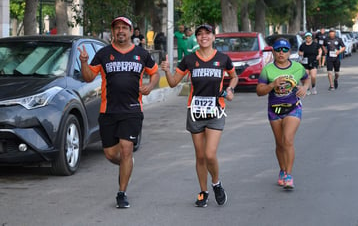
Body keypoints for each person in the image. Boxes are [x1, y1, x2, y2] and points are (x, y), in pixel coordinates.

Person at [78, 16, 160, 208]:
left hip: (132, 110)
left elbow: (154, 72)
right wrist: (83, 62)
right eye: (117, 28)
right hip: (108, 111)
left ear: (131, 32)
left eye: (124, 28)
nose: (120, 31)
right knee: (110, 154)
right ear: (113, 32)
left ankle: (121, 193)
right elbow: (89, 77)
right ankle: (127, 163)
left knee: (125, 149)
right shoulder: (104, 54)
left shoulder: (141, 54)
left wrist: (150, 85)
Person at [161, 24, 238, 207]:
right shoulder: (189, 60)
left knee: (210, 154)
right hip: (195, 112)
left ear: (213, 37)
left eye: (207, 33)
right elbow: (173, 83)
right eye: (200, 34)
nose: (203, 36)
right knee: (200, 156)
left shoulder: (222, 59)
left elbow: (234, 76)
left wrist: (230, 89)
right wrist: (165, 70)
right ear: (196, 38)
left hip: (215, 110)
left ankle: (216, 183)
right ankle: (203, 192)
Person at [256, 38, 310, 190]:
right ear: (273, 52)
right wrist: (272, 84)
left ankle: (289, 174)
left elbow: (307, 80)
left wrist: (305, 88)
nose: (281, 53)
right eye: (278, 50)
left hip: (293, 107)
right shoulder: (268, 69)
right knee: (280, 143)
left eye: (285, 50)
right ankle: (282, 170)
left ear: (289, 52)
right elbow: (259, 91)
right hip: (275, 110)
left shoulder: (298, 67)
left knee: (288, 140)